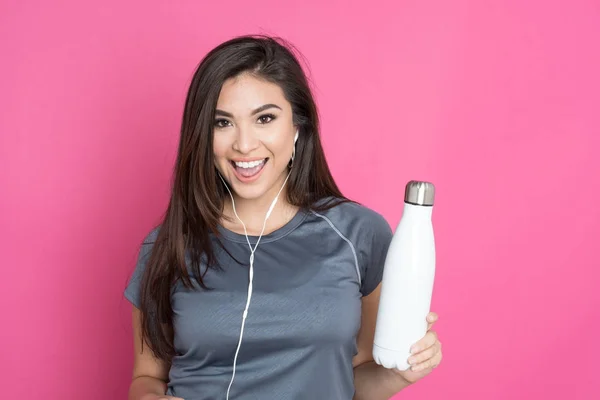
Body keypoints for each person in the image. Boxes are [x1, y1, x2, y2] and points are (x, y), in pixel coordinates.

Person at [124, 35, 443, 400]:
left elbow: (352, 382)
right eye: (222, 123)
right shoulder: (169, 243)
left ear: (297, 126)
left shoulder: (359, 235)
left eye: (264, 118)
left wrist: (404, 373)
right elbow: (146, 377)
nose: (244, 144)